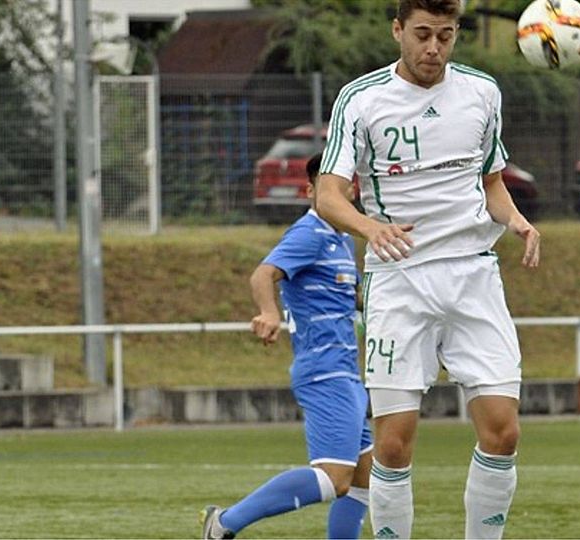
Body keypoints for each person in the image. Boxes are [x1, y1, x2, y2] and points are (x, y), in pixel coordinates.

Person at [314, 1, 541, 538]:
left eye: (445, 35)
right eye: (421, 34)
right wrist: (371, 229)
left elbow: (489, 181)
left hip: (472, 275)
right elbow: (328, 195)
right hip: (399, 280)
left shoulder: (483, 93)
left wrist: (517, 221)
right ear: (397, 31)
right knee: (392, 444)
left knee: (503, 432)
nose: (433, 48)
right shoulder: (361, 99)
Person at [201, 154, 373, 540]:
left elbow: (355, 298)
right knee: (334, 479)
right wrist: (268, 312)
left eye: (341, 184)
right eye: (320, 186)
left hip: (344, 369)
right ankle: (224, 523)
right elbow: (263, 274)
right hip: (325, 370)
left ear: (352, 189)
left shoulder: (342, 239)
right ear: (312, 192)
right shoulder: (308, 234)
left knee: (362, 476)